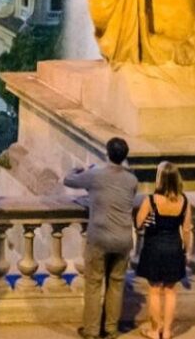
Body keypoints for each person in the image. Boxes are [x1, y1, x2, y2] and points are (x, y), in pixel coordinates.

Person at [64, 137, 138, 339]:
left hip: (99, 237)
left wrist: (80, 168)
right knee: (116, 284)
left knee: (94, 284)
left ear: (107, 153)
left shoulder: (96, 175)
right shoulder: (132, 180)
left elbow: (68, 180)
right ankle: (111, 329)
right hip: (123, 238)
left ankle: (91, 330)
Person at [134, 162, 191, 339]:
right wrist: (185, 250)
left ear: (160, 179)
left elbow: (139, 223)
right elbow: (187, 229)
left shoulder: (151, 200)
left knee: (154, 290)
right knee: (171, 291)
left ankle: (155, 329)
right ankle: (166, 332)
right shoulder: (184, 201)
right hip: (174, 247)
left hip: (154, 247)